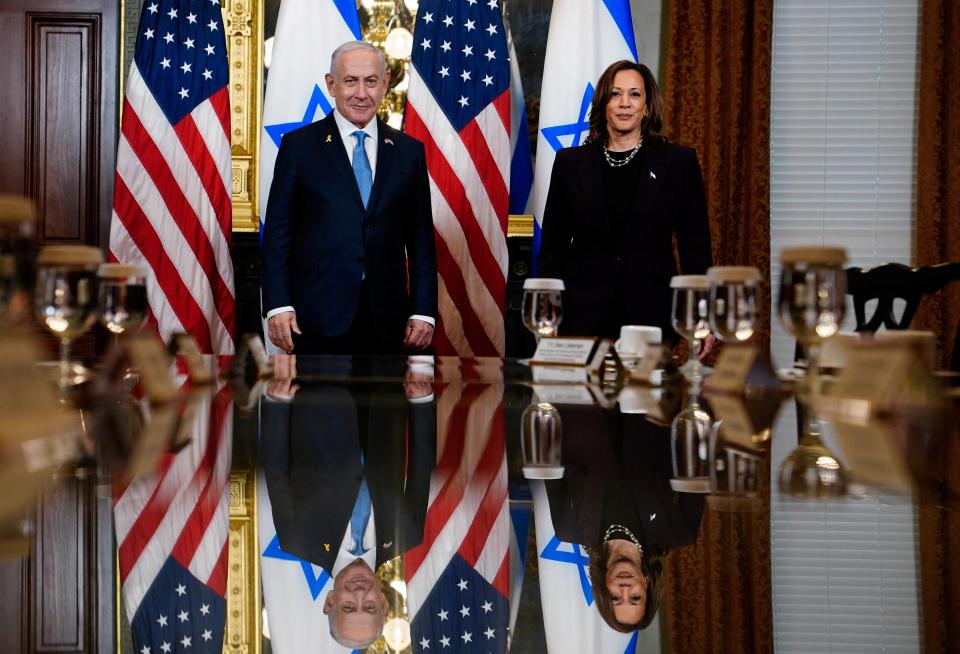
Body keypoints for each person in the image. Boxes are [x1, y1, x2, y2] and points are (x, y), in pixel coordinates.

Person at [261, 41, 437, 355]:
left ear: (385, 84)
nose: (361, 93)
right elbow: (278, 235)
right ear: (331, 84)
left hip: (389, 322)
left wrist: (423, 310)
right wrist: (277, 305)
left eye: (371, 81)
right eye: (350, 81)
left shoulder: (409, 152)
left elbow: (421, 239)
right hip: (315, 319)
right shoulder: (299, 148)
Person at [261, 356, 436, 647]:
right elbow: (422, 463)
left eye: (347, 606)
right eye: (368, 606)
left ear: (329, 601)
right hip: (385, 374)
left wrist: (278, 403)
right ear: (383, 603)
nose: (358, 595)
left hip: (317, 378)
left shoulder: (296, 539)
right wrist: (421, 403)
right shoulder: (408, 534)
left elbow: (276, 470)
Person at [537, 60, 713, 347]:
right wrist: (548, 312)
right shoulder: (570, 164)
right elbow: (552, 249)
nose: (624, 104)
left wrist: (703, 317)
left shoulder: (679, 163)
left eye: (634, 94)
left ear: (647, 106)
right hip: (581, 316)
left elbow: (696, 248)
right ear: (604, 104)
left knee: (648, 394)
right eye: (615, 94)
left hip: (652, 315)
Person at [545, 403, 704, 632]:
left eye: (616, 597)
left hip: (579, 400)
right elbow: (697, 453)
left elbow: (547, 459)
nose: (625, 588)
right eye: (636, 597)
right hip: (648, 398)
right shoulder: (680, 531)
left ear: (603, 589)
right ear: (647, 584)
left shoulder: (568, 528)